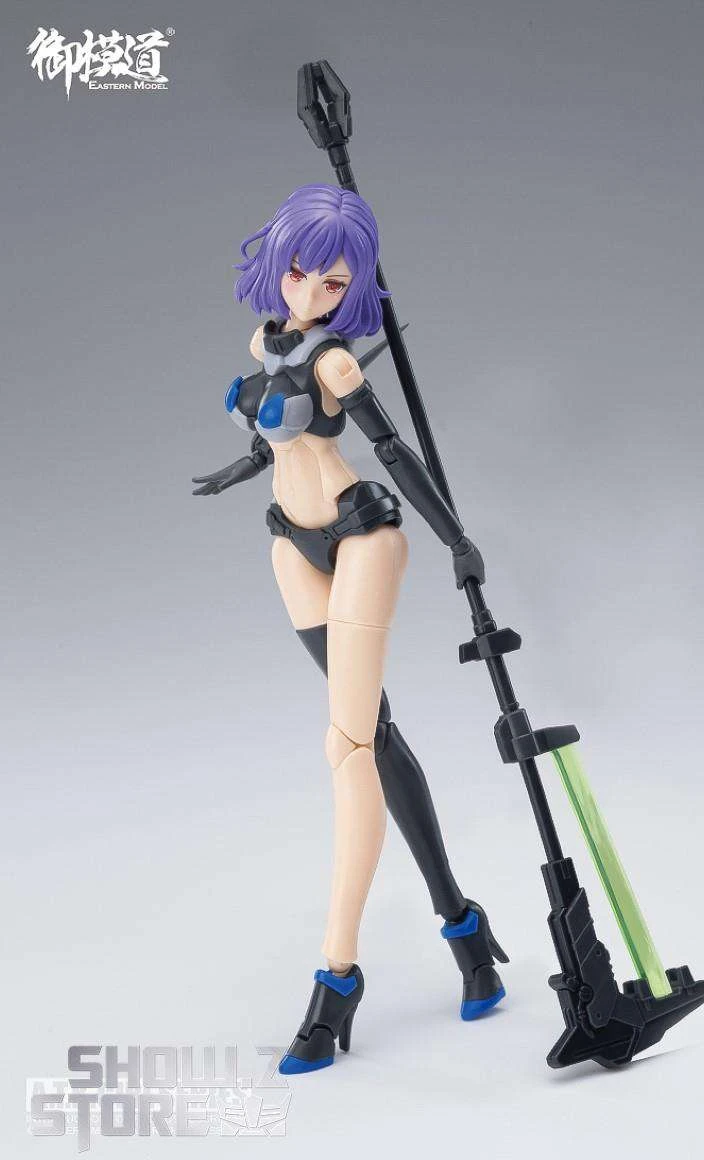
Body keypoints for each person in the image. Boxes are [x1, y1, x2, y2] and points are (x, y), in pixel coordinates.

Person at [193, 183, 507, 1074]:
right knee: (375, 735)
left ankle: (337, 976)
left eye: (335, 283)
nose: (314, 292)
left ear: (353, 288)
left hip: (360, 533)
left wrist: (457, 540)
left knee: (349, 747)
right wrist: (239, 468)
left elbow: (392, 449)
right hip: (291, 545)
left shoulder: (334, 362)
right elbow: (275, 438)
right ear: (277, 265)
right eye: (302, 272)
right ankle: (466, 930)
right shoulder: (263, 341)